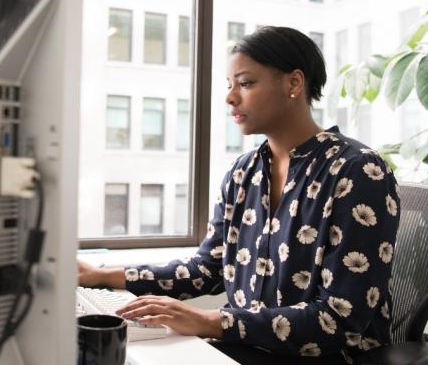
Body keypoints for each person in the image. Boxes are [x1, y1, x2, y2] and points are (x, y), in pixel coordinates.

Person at [78, 26, 399, 364]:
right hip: (248, 349)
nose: (231, 97)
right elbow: (208, 269)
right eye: (230, 86)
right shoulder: (243, 172)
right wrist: (100, 276)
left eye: (245, 83)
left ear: (293, 83)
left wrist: (209, 321)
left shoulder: (358, 170)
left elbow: (339, 321)